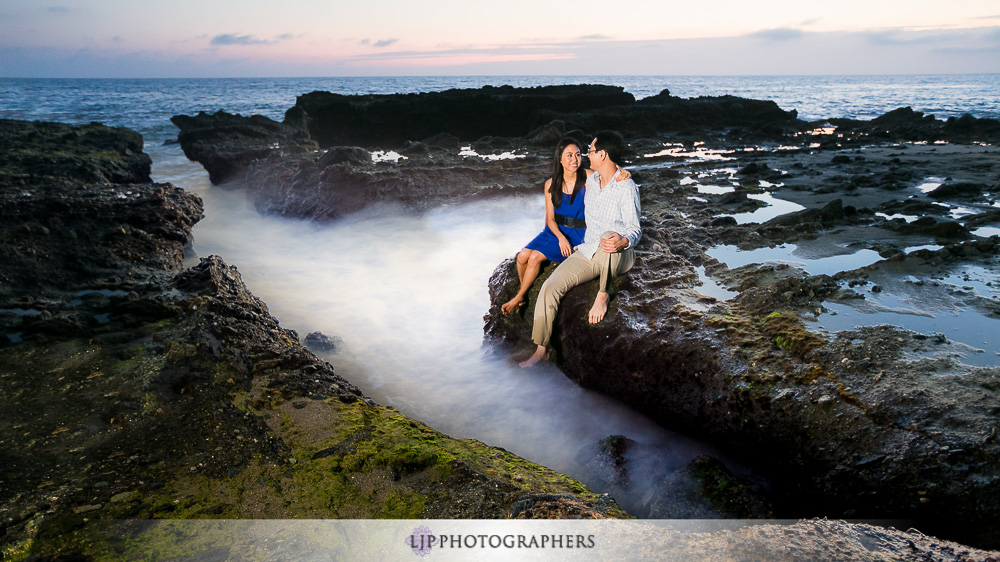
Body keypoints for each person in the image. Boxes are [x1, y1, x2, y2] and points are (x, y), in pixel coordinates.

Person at [519, 131, 640, 369]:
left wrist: (623, 241)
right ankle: (541, 349)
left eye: (591, 151)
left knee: (608, 236)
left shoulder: (626, 187)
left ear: (602, 155)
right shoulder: (591, 181)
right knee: (549, 287)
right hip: (589, 251)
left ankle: (603, 295)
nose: (586, 155)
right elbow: (571, 177)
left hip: (619, 254)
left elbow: (635, 229)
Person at [500, 138, 630, 315]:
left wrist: (625, 172)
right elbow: (551, 219)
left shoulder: (589, 177)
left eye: (577, 155)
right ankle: (523, 293)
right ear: (560, 159)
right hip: (555, 230)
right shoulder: (550, 184)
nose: (574, 159)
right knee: (522, 256)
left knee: (534, 258)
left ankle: (520, 296)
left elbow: (610, 173)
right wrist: (560, 238)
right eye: (569, 155)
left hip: (578, 232)